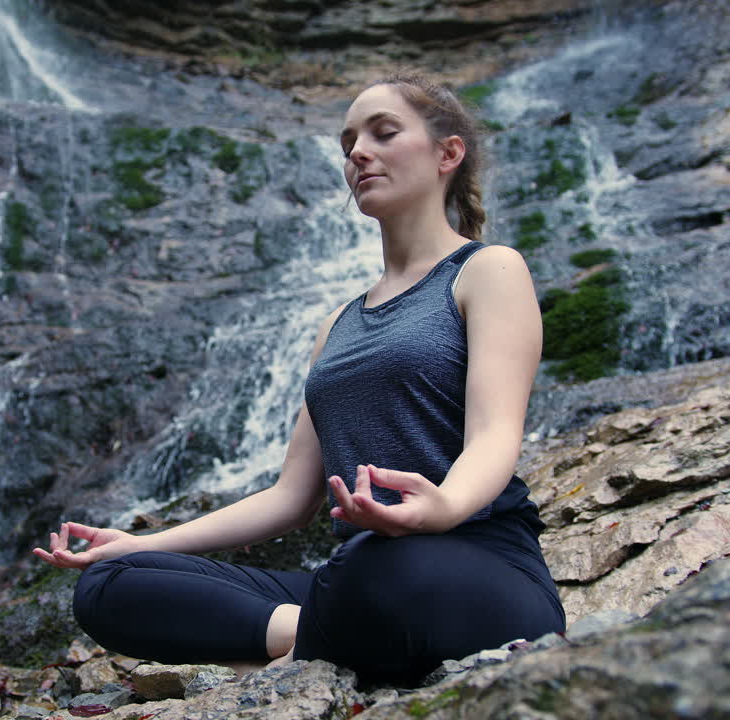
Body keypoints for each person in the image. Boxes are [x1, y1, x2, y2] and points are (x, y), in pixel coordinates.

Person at [32, 70, 565, 685]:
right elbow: (291, 498)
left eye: (384, 132)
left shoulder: (487, 270)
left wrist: (441, 508)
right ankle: (307, 634)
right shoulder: (337, 325)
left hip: (476, 566)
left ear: (448, 154)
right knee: (109, 584)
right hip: (357, 580)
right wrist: (141, 542)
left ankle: (302, 642)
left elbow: (496, 435)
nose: (358, 152)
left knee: (376, 568)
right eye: (349, 143)